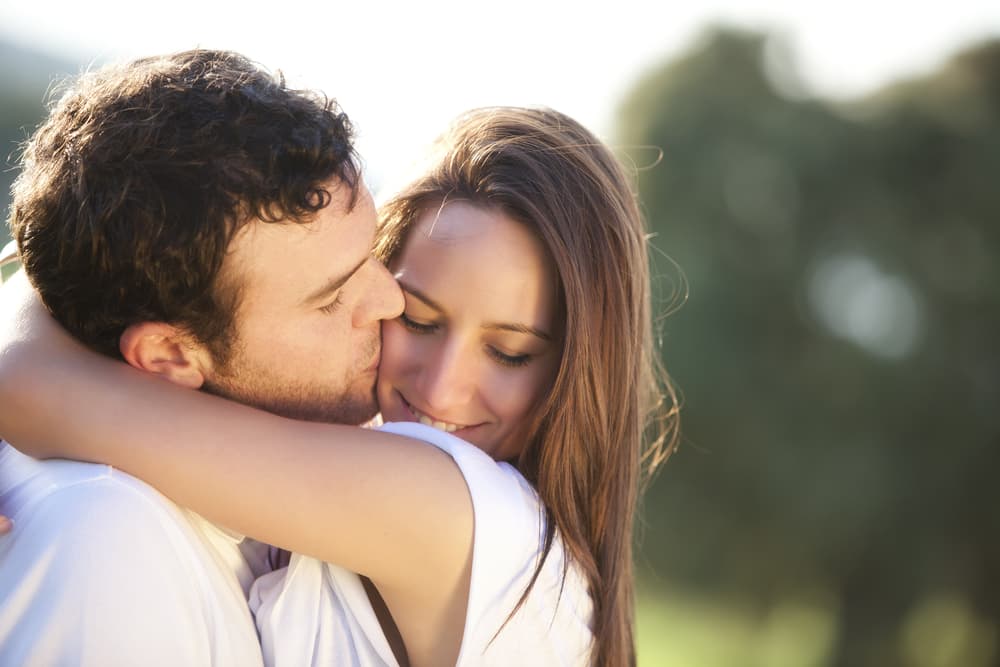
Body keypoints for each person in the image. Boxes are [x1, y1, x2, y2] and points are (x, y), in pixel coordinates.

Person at [0, 107, 679, 665]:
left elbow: (33, 387)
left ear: (581, 370)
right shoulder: (324, 468)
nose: (442, 390)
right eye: (417, 317)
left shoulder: (482, 526)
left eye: (507, 353)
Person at [0, 48, 403, 666]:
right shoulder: (106, 543)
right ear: (167, 355)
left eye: (373, 254)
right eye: (330, 299)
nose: (392, 300)